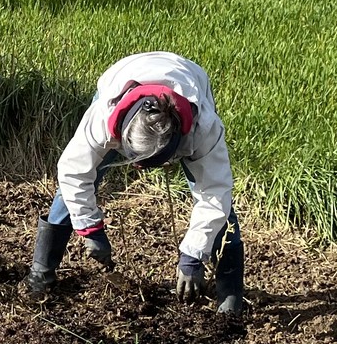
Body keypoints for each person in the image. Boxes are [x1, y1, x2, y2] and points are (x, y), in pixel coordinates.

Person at [24, 51, 245, 314]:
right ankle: (41, 271)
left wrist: (193, 255)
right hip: (125, 74)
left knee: (219, 203)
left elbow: (214, 191)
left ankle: (230, 298)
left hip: (191, 81)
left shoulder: (204, 127)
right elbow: (74, 173)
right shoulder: (104, 116)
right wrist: (90, 229)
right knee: (78, 181)